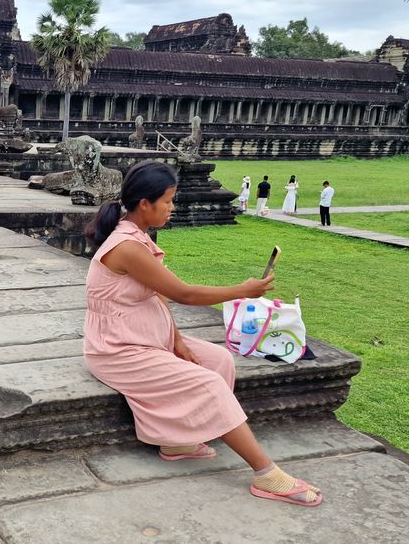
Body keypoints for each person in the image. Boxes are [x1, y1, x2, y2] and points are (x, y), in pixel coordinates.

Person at [83, 162, 321, 506]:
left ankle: (176, 440)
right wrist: (244, 290)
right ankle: (266, 473)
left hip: (147, 338)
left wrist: (177, 340)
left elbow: (158, 293)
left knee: (219, 360)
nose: (172, 207)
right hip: (116, 350)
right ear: (145, 204)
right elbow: (185, 294)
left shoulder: (138, 236)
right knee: (207, 383)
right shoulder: (126, 246)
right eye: (168, 201)